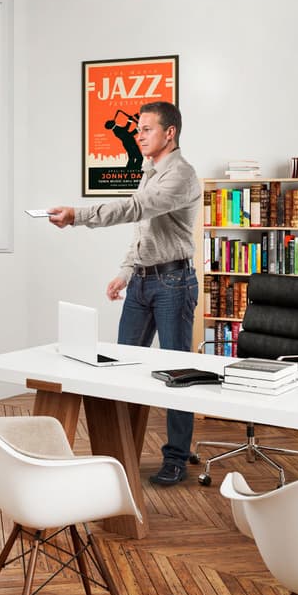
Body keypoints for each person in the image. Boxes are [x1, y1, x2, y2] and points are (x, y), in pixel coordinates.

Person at [48, 101, 200, 486]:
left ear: (170, 133)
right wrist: (126, 271)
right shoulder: (149, 171)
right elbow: (143, 231)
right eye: (138, 129)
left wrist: (78, 215)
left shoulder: (180, 175)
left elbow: (136, 209)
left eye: (146, 129)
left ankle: (177, 457)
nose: (138, 135)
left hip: (173, 284)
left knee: (176, 374)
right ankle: (119, 452)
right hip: (143, 282)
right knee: (118, 366)